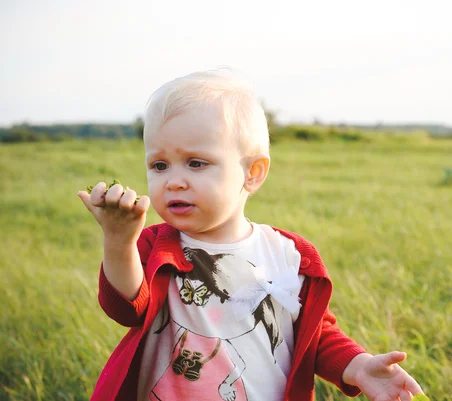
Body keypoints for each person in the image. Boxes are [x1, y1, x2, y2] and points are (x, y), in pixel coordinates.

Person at [78, 68, 425, 401]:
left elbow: (314, 334)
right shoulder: (156, 245)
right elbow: (125, 309)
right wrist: (119, 240)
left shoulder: (288, 255)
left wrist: (359, 365)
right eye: (159, 165)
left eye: (196, 163)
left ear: (253, 173)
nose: (174, 180)